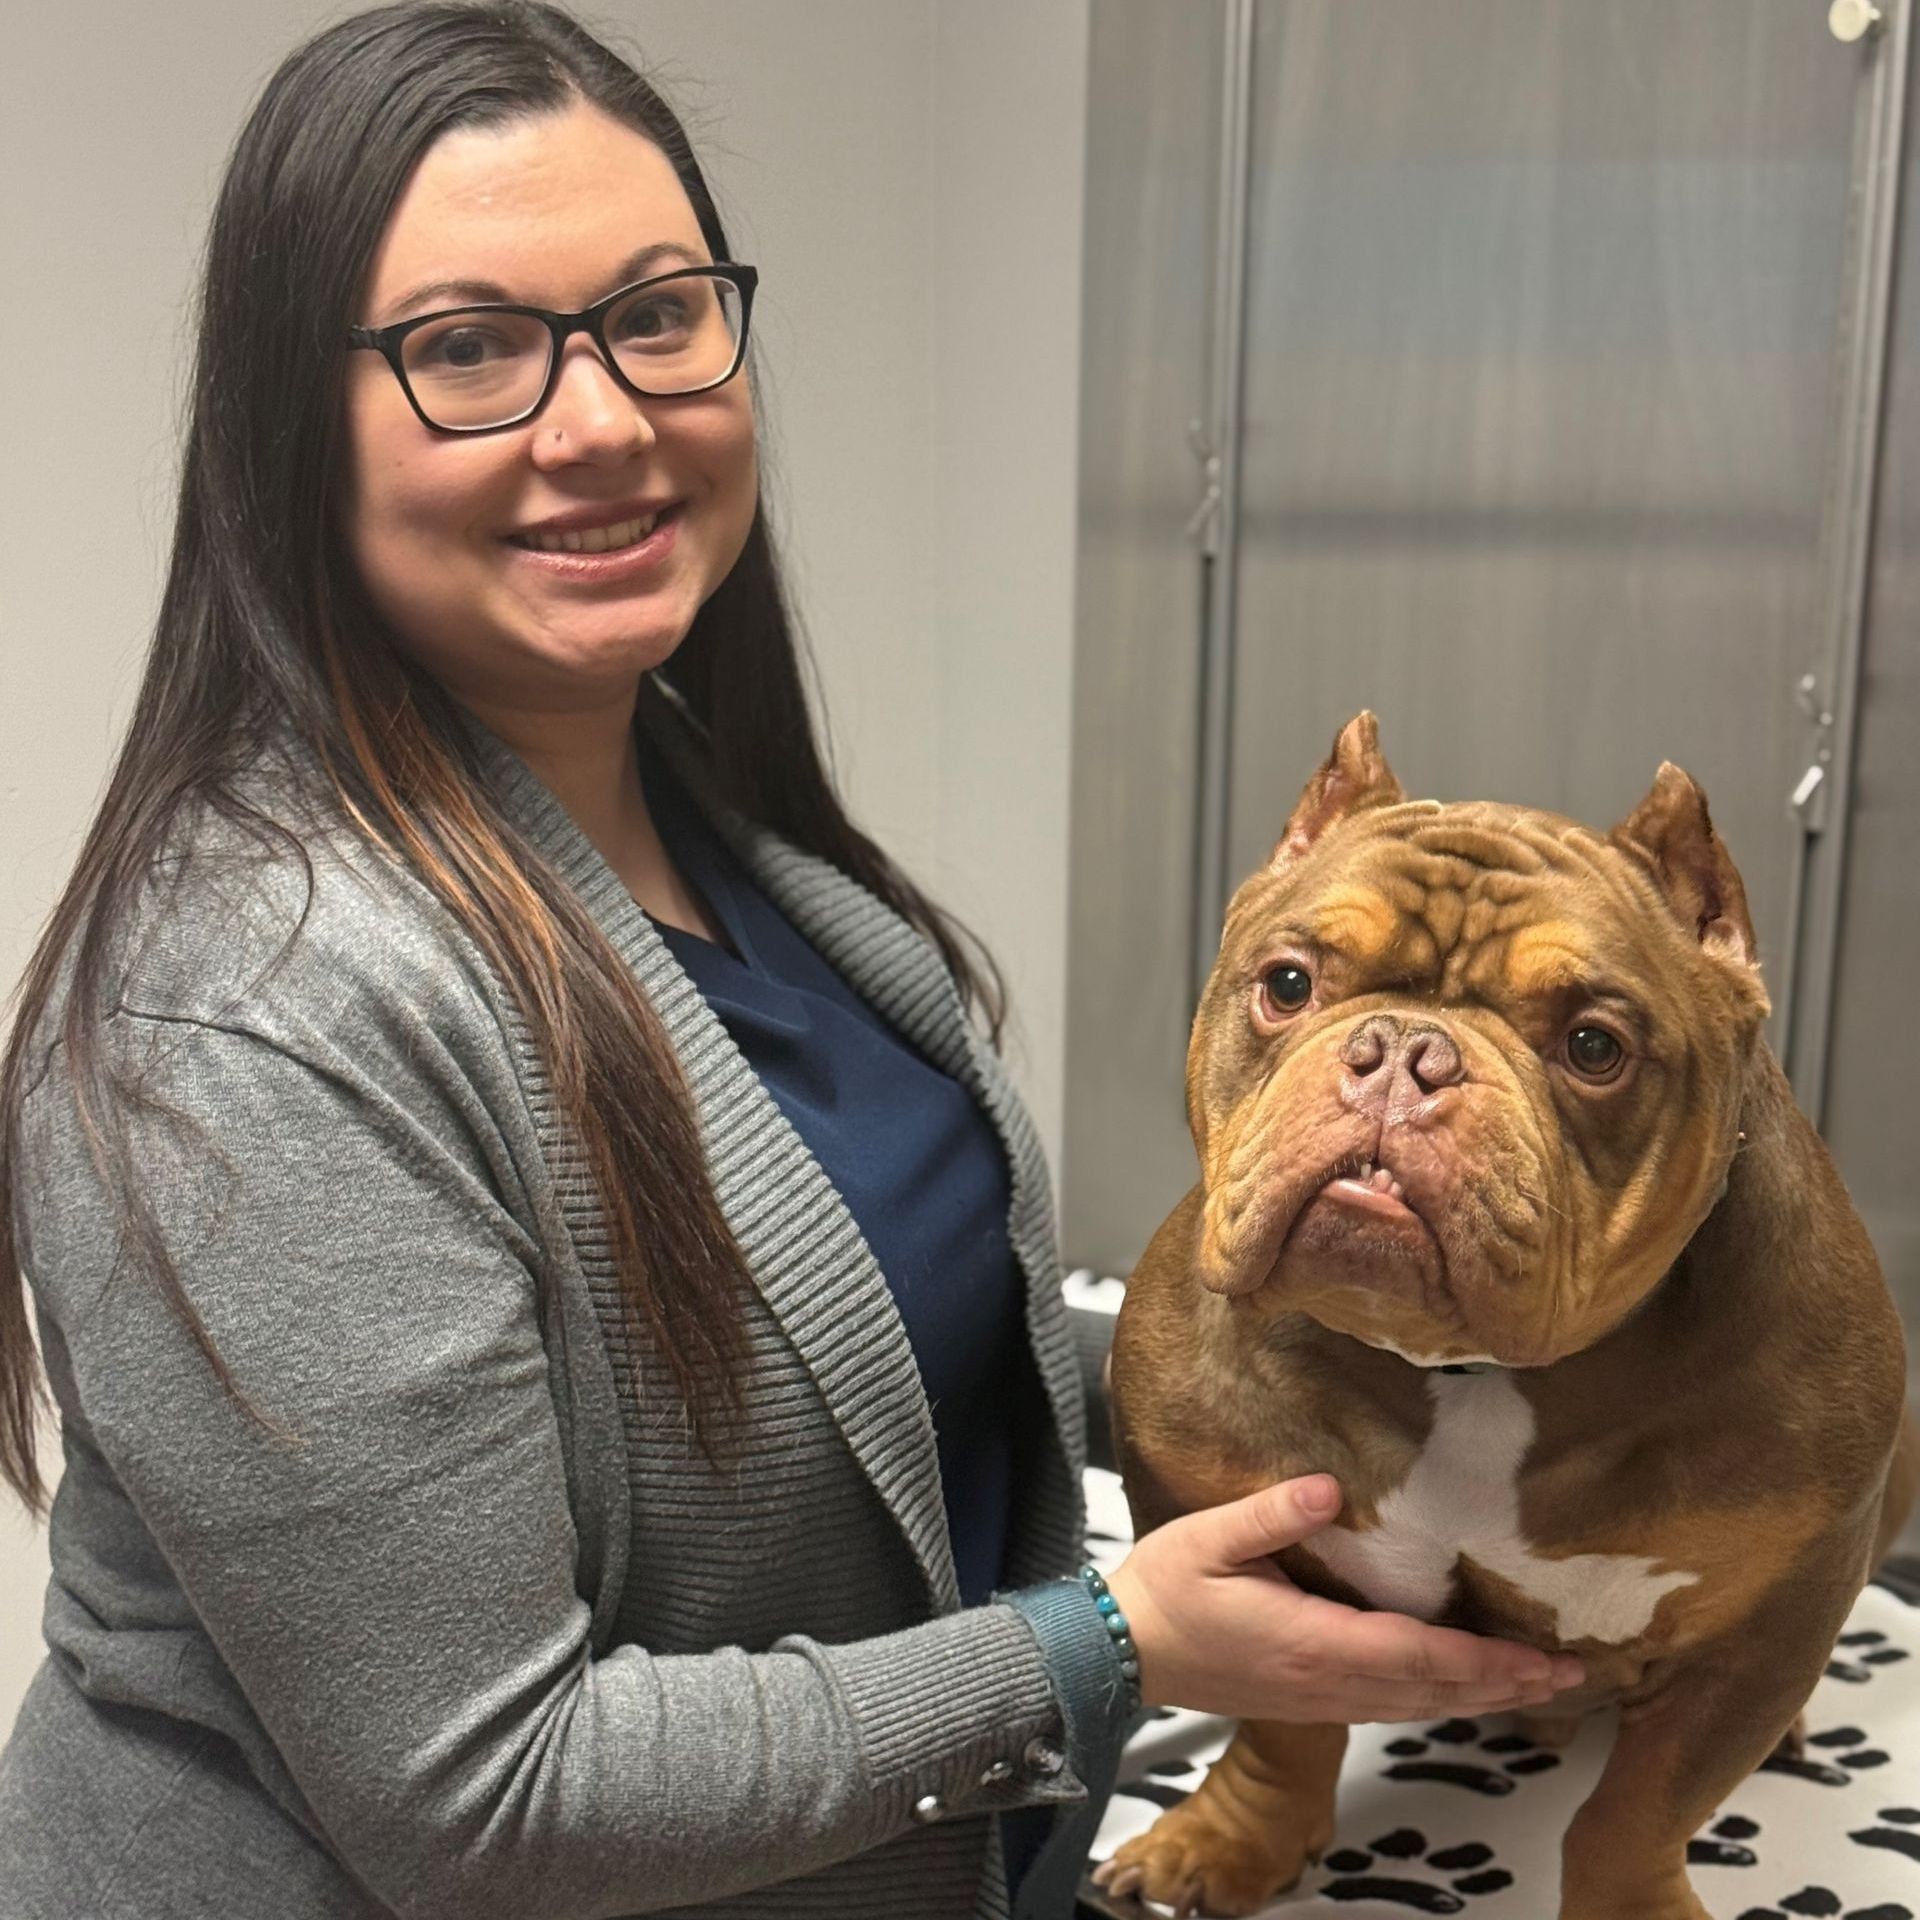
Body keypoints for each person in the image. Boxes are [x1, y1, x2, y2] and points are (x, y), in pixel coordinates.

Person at [0, 6, 1584, 1916]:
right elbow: (489, 1799)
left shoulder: (702, 811)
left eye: (657, 314)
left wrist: (1410, 1374)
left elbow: (893, 1344)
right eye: (469, 350)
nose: (600, 417)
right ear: (290, 426)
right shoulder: (250, 1016)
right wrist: (1115, 1650)